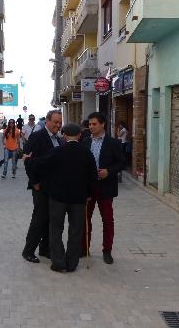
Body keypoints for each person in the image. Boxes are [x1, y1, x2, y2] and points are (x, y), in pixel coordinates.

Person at [27, 123, 97, 273]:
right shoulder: (86, 153)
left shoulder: (57, 151)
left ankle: (58, 262)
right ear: (79, 135)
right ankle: (72, 263)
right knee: (76, 230)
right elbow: (93, 176)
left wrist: (28, 159)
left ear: (64, 136)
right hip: (78, 199)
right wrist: (90, 194)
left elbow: (40, 164)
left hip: (58, 198)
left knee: (56, 229)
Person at [82, 112, 125, 264]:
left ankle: (107, 250)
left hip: (106, 187)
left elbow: (121, 163)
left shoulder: (113, 143)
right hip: (88, 188)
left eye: (94, 124)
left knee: (107, 220)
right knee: (84, 219)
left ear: (102, 124)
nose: (91, 127)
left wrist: (109, 171)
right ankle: (83, 248)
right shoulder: (85, 142)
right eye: (89, 124)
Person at [21, 110, 64, 263]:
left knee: (50, 219)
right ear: (47, 121)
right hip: (40, 186)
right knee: (39, 218)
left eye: (60, 123)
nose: (58, 125)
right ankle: (28, 250)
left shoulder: (58, 140)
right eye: (55, 122)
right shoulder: (37, 137)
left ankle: (45, 249)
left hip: (53, 187)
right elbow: (27, 160)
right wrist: (35, 182)